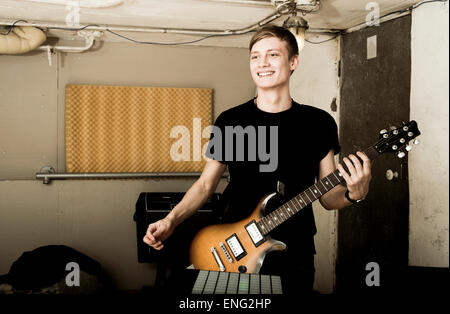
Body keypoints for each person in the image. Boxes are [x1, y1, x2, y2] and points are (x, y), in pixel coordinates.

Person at [143, 25, 372, 294]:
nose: (262, 63)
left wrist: (354, 194)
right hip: (233, 247)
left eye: (273, 55)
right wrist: (171, 220)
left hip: (294, 250)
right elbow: (206, 185)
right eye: (255, 56)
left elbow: (327, 195)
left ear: (293, 62)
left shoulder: (319, 122)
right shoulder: (230, 121)